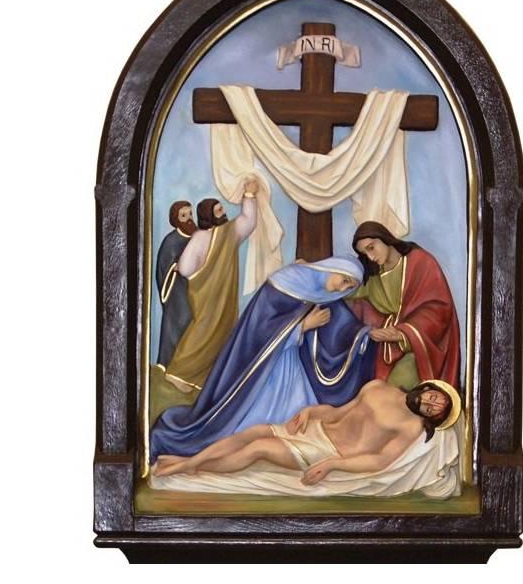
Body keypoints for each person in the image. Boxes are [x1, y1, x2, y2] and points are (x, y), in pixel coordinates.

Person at [150, 255, 376, 462]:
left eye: (349, 287)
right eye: (344, 280)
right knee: (249, 428)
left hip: (291, 366)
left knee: (294, 426)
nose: (342, 288)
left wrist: (366, 335)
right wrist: (302, 327)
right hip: (262, 371)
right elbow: (259, 330)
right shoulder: (285, 281)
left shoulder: (326, 294)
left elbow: (344, 327)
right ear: (333, 267)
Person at [152, 378, 460, 484]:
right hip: (318, 429)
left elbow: (380, 460)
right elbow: (338, 412)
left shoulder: (411, 426)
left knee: (258, 449)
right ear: (427, 388)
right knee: (252, 432)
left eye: (435, 409)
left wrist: (333, 464)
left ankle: (185, 466)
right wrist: (310, 412)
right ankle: (189, 463)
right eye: (434, 397)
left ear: (431, 419)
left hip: (327, 451)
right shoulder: (379, 386)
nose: (429, 403)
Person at [163, 179, 259, 392]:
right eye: (219, 210)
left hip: (215, 293)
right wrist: (249, 196)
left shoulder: (220, 234)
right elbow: (248, 221)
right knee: (203, 331)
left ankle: (204, 376)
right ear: (209, 215)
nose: (223, 213)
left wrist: (250, 195)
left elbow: (185, 269)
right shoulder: (219, 235)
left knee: (218, 332)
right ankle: (179, 372)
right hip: (208, 293)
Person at [348, 221, 461, 390]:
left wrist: (402, 334)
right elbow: (350, 295)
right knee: (369, 387)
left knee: (393, 389)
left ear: (384, 238)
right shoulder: (373, 273)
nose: (370, 256)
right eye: (365, 253)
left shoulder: (421, 262)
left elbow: (439, 309)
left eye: (371, 247)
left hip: (421, 347)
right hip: (386, 348)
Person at [155, 200, 196, 368]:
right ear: (176, 219)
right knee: (180, 322)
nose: (189, 219)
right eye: (184, 215)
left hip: (195, 289)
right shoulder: (171, 241)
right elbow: (164, 268)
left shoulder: (197, 237)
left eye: (190, 214)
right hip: (177, 293)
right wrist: (177, 267)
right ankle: (169, 365)